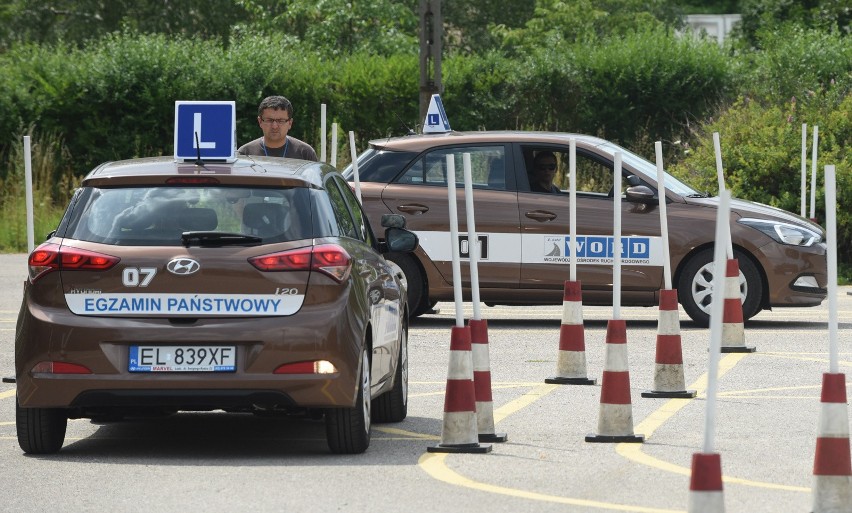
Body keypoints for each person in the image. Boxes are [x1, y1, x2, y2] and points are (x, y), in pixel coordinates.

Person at [238, 95, 318, 161]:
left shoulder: (305, 153)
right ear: (260, 122)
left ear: (290, 123)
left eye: (281, 121)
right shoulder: (244, 153)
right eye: (269, 120)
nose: (274, 126)